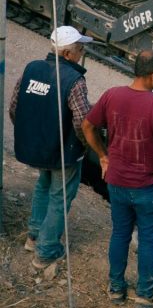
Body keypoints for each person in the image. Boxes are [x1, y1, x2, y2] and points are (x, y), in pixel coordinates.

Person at [83, 51, 153, 308]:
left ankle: (116, 288)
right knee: (148, 240)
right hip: (148, 186)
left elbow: (87, 126)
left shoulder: (112, 95)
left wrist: (103, 155)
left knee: (120, 234)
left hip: (117, 182)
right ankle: (145, 295)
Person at [9, 26, 93, 268]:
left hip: (36, 147)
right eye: (79, 48)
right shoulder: (74, 80)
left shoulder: (32, 68)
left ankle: (33, 236)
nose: (82, 52)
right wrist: (86, 146)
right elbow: (81, 121)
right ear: (67, 54)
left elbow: (15, 107)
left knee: (42, 186)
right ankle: (46, 250)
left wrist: (32, 134)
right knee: (60, 197)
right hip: (62, 152)